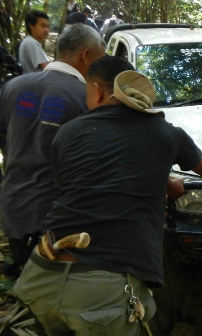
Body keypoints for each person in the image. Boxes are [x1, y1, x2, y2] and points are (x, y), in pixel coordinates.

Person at [13, 56, 202, 335]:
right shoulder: (166, 133)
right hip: (104, 287)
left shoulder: (68, 133)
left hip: (42, 271)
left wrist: (160, 181)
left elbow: (83, 180)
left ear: (98, 91)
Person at [0, 23, 105, 278]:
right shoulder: (87, 98)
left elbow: (5, 138)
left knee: (29, 287)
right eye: (101, 57)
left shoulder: (13, 87)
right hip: (59, 220)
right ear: (87, 56)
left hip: (14, 208)